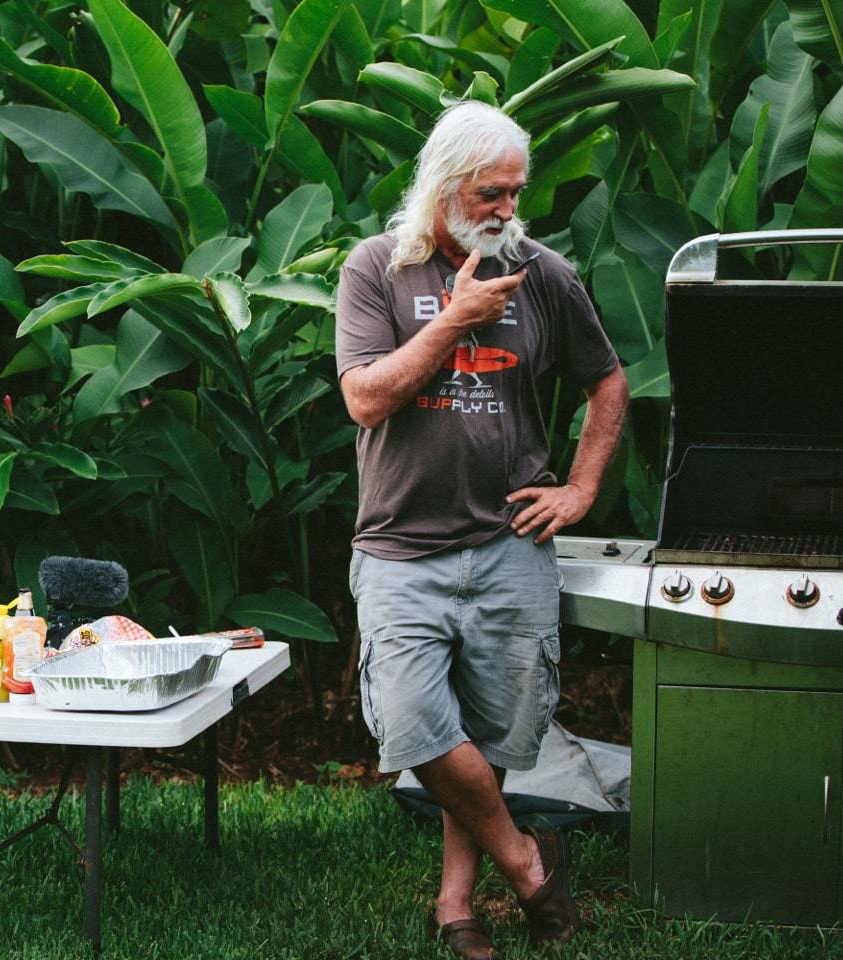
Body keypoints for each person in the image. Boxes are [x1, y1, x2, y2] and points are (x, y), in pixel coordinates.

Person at [335, 101, 629, 960]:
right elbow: (365, 397)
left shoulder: (542, 273)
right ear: (444, 183)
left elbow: (608, 383)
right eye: (491, 192)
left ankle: (456, 906)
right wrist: (455, 318)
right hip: (399, 544)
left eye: (515, 193)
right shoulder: (377, 270)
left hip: (509, 543)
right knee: (412, 724)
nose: (506, 209)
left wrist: (578, 489)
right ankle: (529, 862)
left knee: (494, 735)